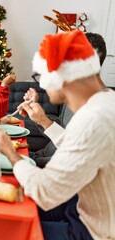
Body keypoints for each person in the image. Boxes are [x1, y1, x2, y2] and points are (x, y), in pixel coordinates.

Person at [0, 30, 115, 239]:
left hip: (94, 231)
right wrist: (42, 120)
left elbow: (43, 192)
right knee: (9, 208)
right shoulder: (104, 102)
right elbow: (77, 147)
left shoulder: (93, 118)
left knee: (4, 229)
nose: (40, 84)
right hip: (79, 206)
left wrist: (10, 153)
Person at [29, 32, 108, 168]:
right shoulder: (77, 95)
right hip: (39, 156)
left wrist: (25, 162)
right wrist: (39, 116)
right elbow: (60, 126)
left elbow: (78, 156)